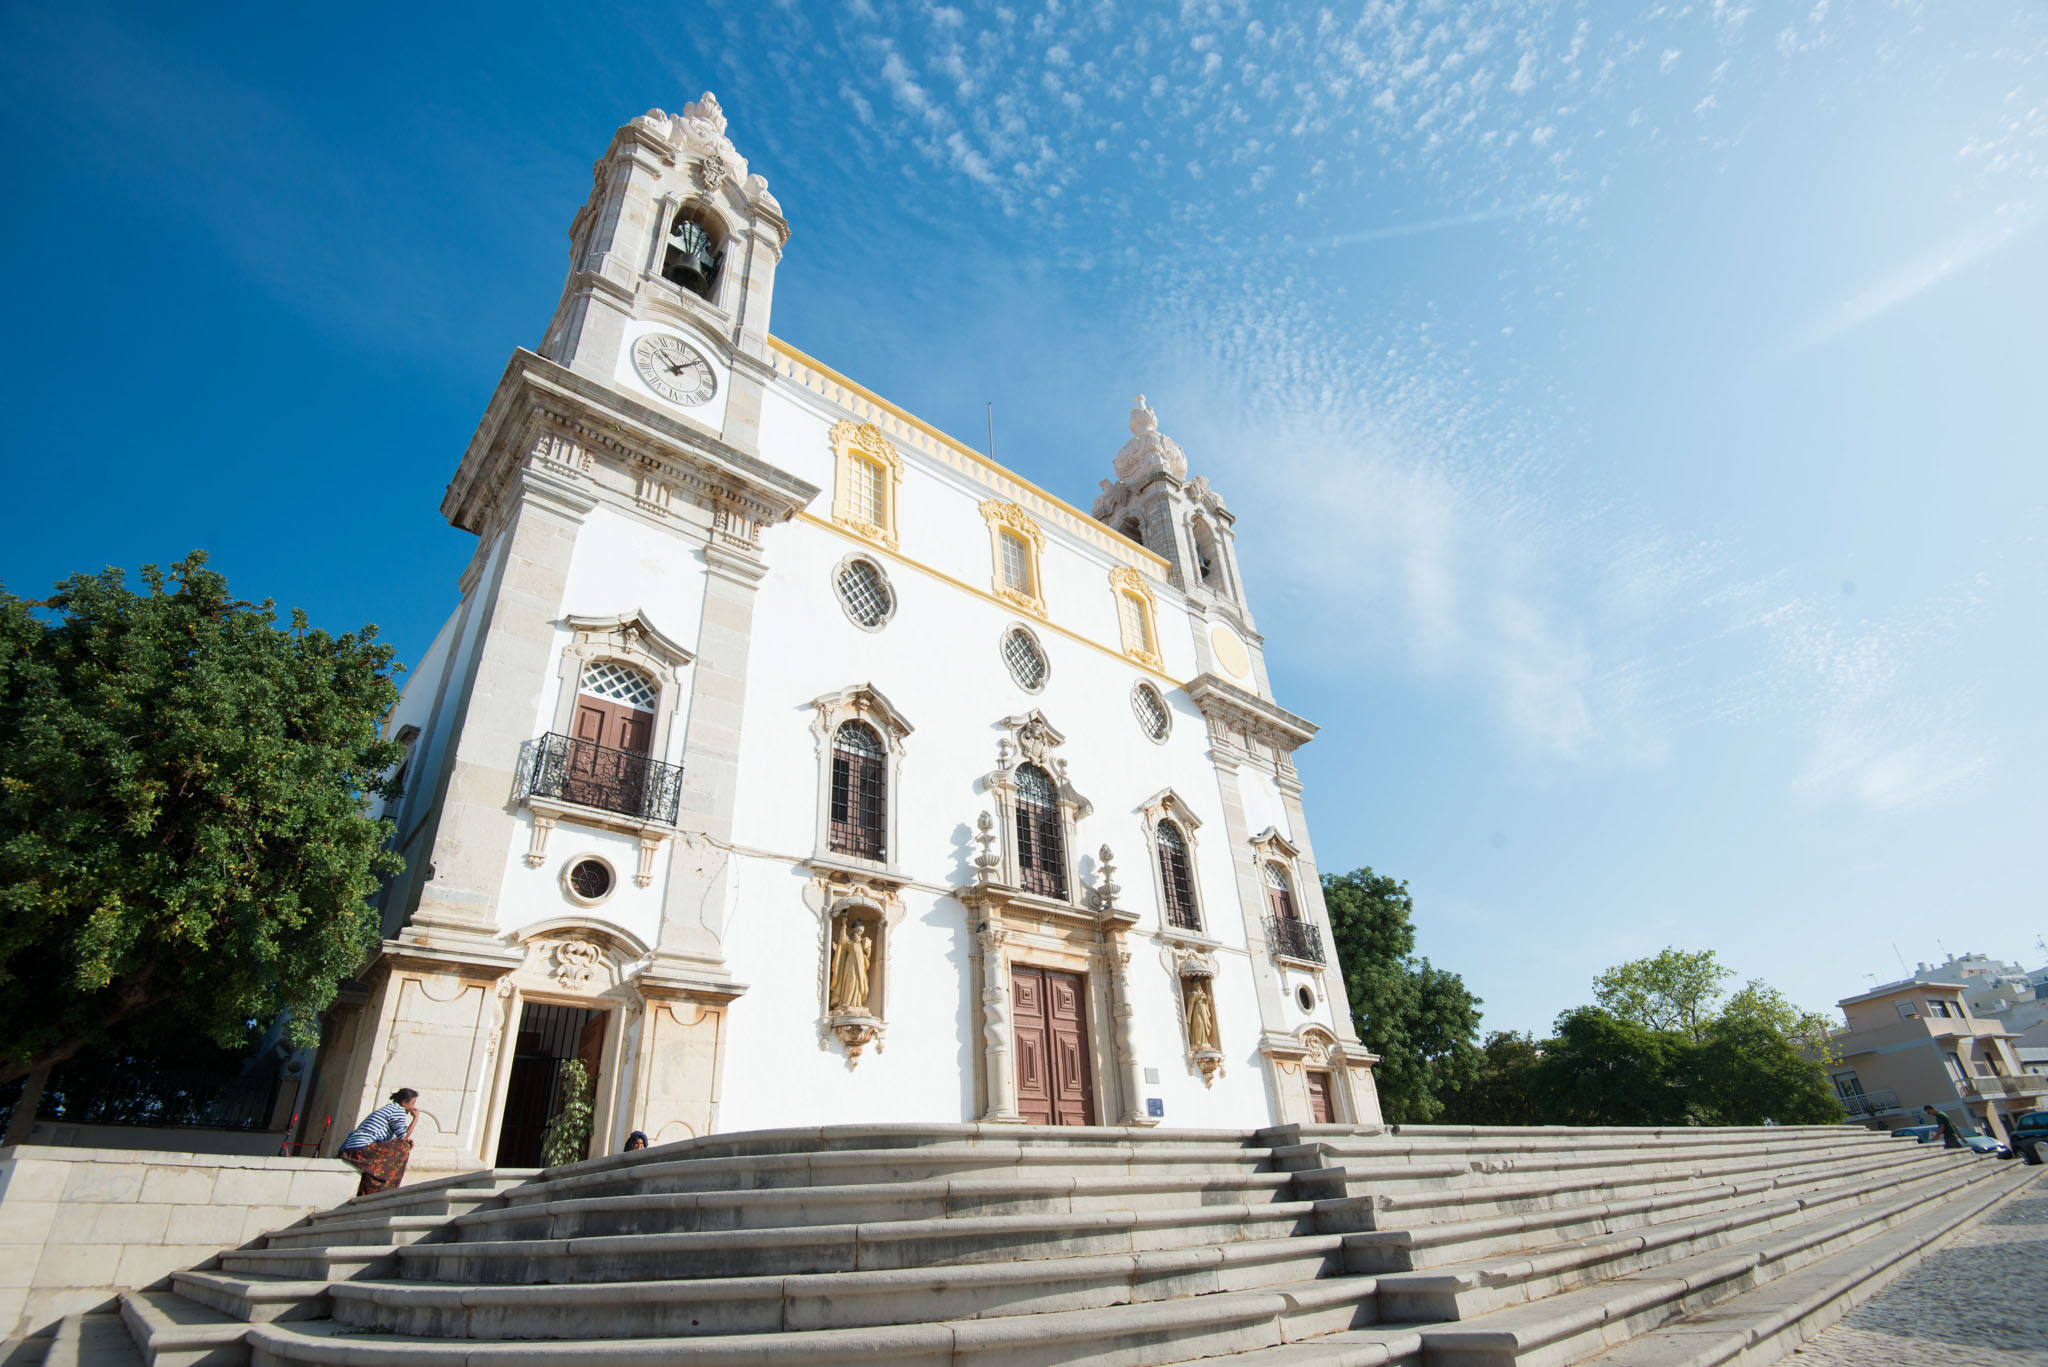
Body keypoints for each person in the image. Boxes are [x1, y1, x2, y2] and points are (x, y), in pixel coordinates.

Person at [338, 1088, 418, 1195]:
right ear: (404, 1103)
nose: (413, 1107)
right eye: (412, 1103)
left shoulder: (390, 1108)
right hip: (361, 1148)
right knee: (404, 1147)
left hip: (353, 1148)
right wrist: (415, 1118)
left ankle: (371, 1186)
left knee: (399, 1146)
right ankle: (384, 1188)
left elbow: (395, 1139)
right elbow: (403, 1137)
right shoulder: (398, 1110)